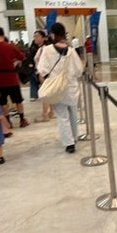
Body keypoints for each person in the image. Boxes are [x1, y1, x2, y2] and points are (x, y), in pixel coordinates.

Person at [36, 22, 83, 153]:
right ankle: (74, 137)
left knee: (62, 116)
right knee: (73, 114)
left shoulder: (47, 50)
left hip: (56, 88)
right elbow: (79, 70)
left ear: (52, 34)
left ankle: (69, 143)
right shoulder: (71, 51)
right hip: (71, 87)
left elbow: (42, 70)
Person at [0, 26, 29, 128]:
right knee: (18, 100)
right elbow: (22, 57)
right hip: (11, 77)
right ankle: (22, 119)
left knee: (2, 102)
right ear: (3, 34)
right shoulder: (10, 46)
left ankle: (7, 122)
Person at [26, 30, 45, 101]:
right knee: (33, 81)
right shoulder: (32, 48)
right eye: (34, 37)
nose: (35, 38)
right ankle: (34, 95)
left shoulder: (46, 48)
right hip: (34, 70)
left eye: (37, 36)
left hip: (43, 71)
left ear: (43, 38)